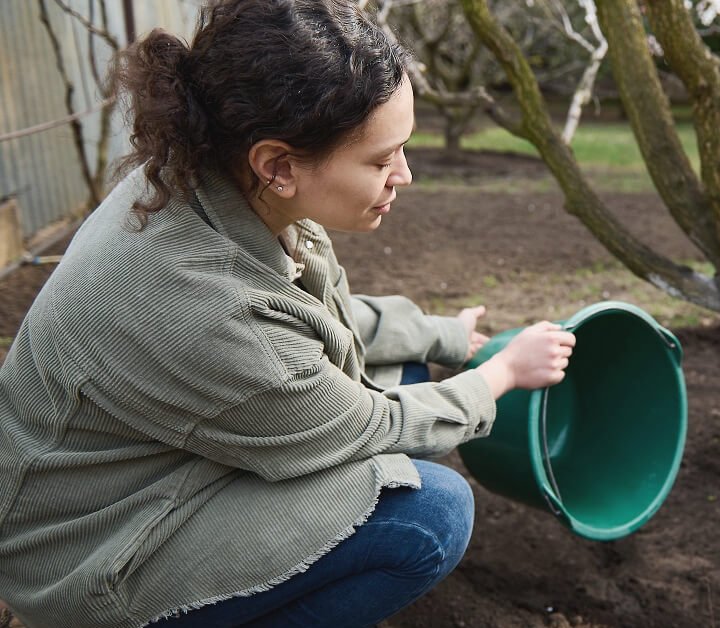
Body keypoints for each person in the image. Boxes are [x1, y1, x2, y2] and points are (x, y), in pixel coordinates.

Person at [0, 1, 576, 626]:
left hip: (149, 467)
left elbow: (311, 320)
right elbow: (366, 420)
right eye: (382, 159)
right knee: (430, 513)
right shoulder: (201, 302)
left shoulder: (217, 183)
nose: (403, 176)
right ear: (278, 164)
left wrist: (446, 337)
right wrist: (503, 374)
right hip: (86, 548)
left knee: (408, 370)